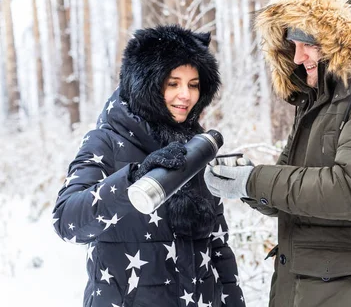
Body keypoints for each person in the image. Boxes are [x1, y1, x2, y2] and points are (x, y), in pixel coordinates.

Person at [204, 0, 351, 307]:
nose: (298, 57)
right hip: (306, 290)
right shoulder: (316, 103)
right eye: (293, 44)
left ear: (342, 39)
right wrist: (244, 182)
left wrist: (254, 181)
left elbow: (348, 192)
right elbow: (294, 195)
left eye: (308, 45)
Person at [52, 25, 245, 307]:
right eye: (173, 83)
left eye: (193, 85)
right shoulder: (106, 141)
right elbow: (67, 221)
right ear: (147, 84)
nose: (185, 96)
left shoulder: (197, 147)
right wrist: (134, 179)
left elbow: (218, 247)